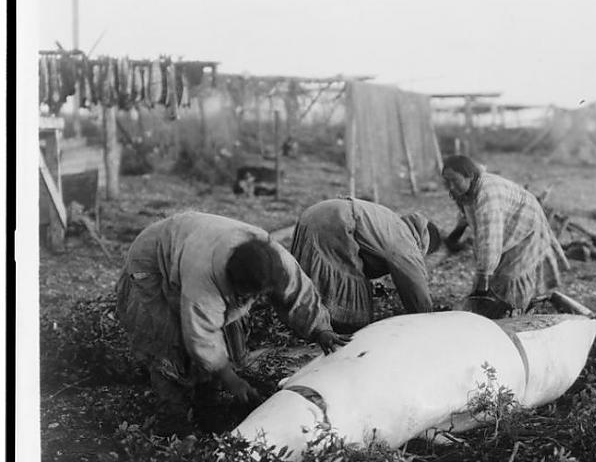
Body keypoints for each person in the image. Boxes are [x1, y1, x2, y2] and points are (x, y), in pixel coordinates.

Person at [115, 211, 350, 433]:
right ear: (232, 282)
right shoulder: (203, 279)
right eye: (247, 295)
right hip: (153, 263)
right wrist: (231, 380)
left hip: (192, 239)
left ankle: (208, 403)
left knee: (224, 340)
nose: (254, 300)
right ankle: (174, 421)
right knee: (168, 341)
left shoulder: (274, 260)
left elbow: (299, 292)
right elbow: (202, 336)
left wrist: (321, 329)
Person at [441, 155, 568, 318]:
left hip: (526, 225)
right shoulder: (466, 190)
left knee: (511, 275)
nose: (450, 186)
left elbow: (489, 240)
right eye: (446, 181)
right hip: (507, 224)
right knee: (492, 274)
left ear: (470, 176)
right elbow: (472, 220)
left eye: (454, 180)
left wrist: (484, 277)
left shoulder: (487, 195)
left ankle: (516, 314)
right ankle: (492, 309)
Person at [290, 197, 442, 333]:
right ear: (424, 243)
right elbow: (414, 282)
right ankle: (336, 329)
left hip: (314, 213)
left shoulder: (393, 221)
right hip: (337, 222)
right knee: (356, 316)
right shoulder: (406, 240)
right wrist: (427, 320)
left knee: (316, 280)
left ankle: (310, 322)